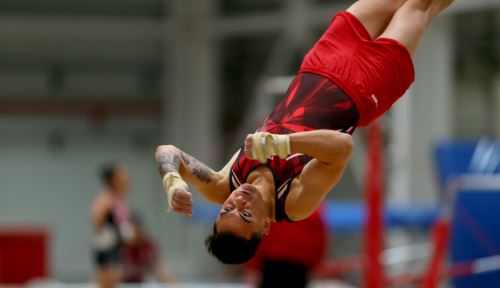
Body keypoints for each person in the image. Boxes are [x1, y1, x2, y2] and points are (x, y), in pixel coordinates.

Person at [155, 0, 455, 264]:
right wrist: (281, 144)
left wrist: (173, 181)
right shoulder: (295, 203)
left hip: (322, 61)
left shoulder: (223, 185)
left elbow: (167, 151)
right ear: (264, 228)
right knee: (421, 5)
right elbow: (342, 147)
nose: (238, 201)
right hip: (367, 86)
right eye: (246, 215)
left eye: (226, 211)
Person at [246, 207, 327, 288]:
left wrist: (253, 266)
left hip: (273, 264)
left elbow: (259, 234)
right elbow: (318, 238)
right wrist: (315, 265)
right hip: (297, 266)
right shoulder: (312, 207)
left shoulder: (271, 204)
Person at [90, 164, 134, 288]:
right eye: (122, 176)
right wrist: (109, 230)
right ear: (113, 180)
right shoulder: (106, 197)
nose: (126, 179)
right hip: (107, 248)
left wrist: (125, 230)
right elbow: (95, 219)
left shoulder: (119, 198)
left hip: (116, 247)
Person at [121, 212, 175, 284]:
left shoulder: (147, 246)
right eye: (133, 228)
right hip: (119, 287)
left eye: (138, 228)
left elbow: (158, 268)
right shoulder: (121, 246)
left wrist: (173, 285)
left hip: (138, 287)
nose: (136, 232)